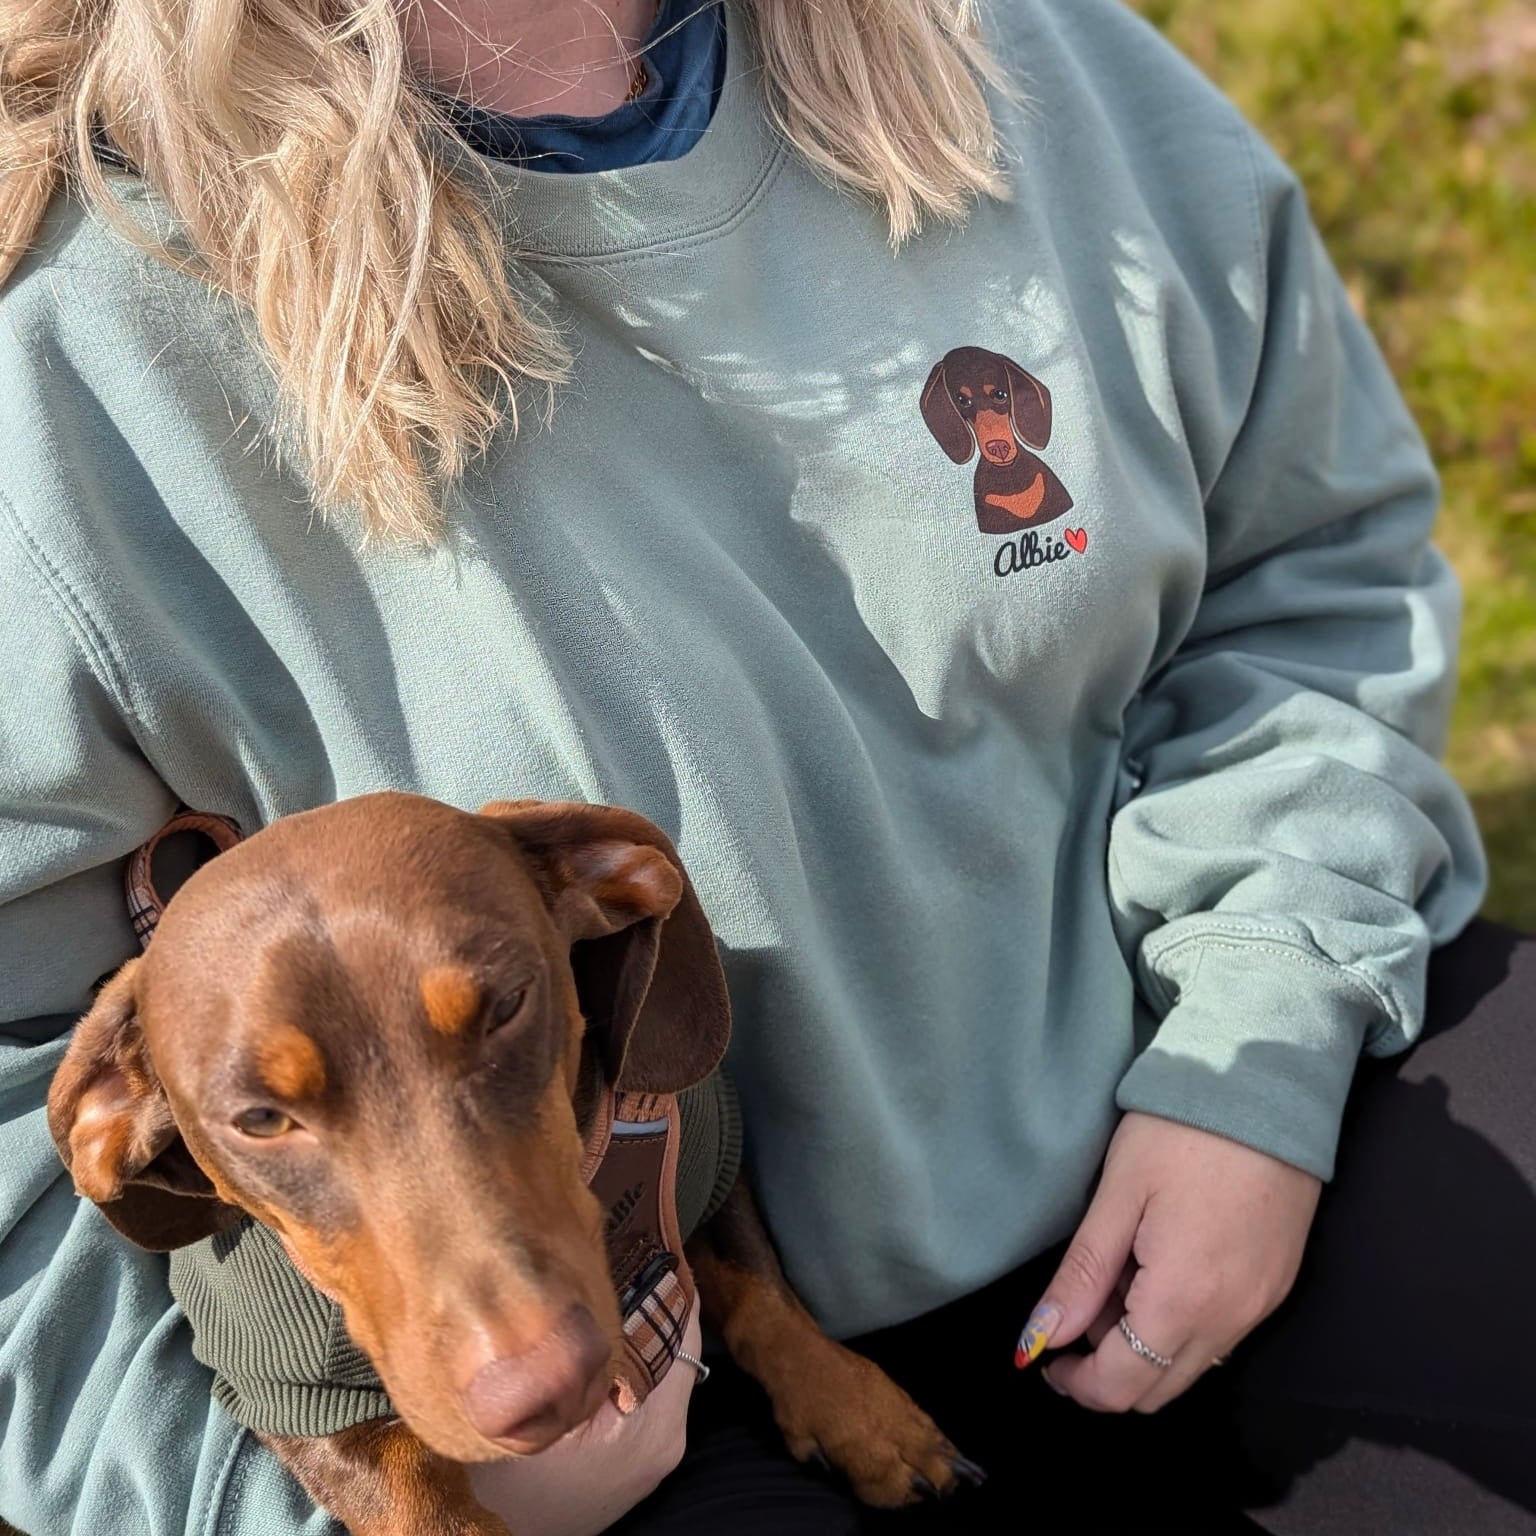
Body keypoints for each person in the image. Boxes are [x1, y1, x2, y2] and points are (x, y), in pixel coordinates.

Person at [0, 1, 1529, 1532]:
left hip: (1172, 1119)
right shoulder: (65, 349)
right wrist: (384, 1501)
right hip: (594, 1412)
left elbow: (1302, 577)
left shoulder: (1029, 53)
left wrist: (1257, 1048)